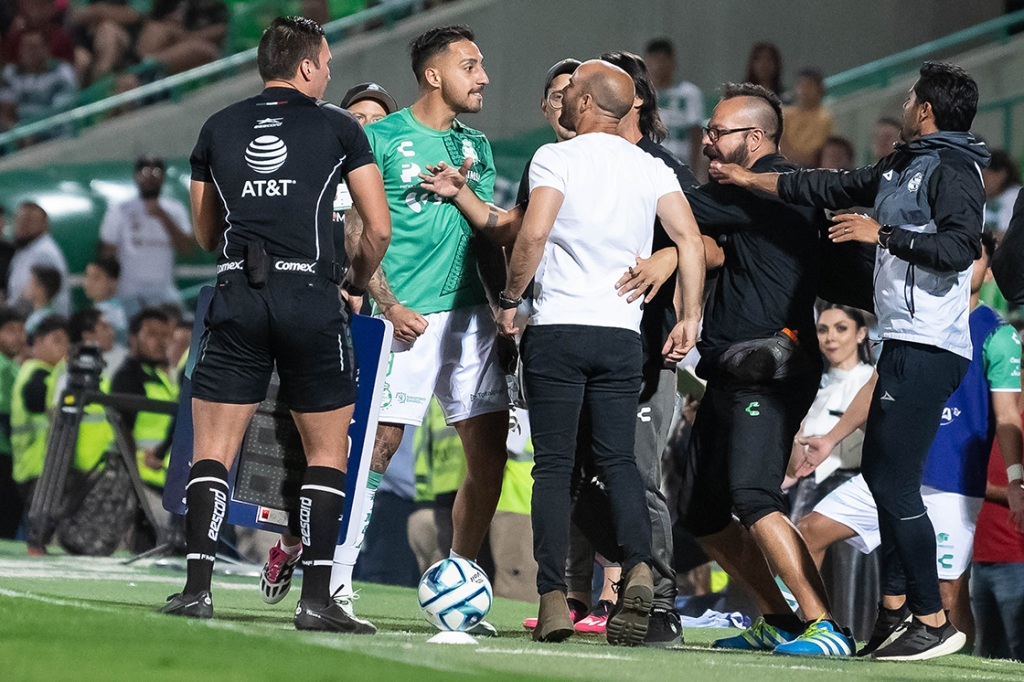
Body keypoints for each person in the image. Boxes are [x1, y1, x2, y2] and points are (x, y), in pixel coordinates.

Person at [712, 61, 989, 661]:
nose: (908, 102)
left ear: (926, 111)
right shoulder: (903, 165)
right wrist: (746, 180)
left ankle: (933, 619)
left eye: (914, 97)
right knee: (886, 480)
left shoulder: (954, 168)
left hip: (931, 344)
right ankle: (894, 612)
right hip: (901, 341)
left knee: (890, 481)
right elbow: (823, 186)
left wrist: (880, 235)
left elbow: (961, 248)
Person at [160, 16, 391, 636]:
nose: (330, 73)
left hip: (238, 292)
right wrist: (354, 281)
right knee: (325, 455)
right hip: (311, 296)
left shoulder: (217, 127)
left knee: (212, 451)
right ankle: (316, 600)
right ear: (308, 67)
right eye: (328, 63)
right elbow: (379, 227)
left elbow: (206, 233)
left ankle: (197, 590)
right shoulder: (342, 128)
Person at [497, 59, 704, 645]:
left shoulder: (555, 158)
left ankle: (555, 598)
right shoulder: (648, 165)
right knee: (619, 465)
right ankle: (638, 566)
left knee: (555, 469)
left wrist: (512, 298)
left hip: (560, 329)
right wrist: (690, 316)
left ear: (585, 102)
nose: (560, 100)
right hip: (622, 336)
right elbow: (689, 239)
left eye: (570, 93)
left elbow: (533, 233)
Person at [338, 25, 508, 633]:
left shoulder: (477, 148)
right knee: (377, 450)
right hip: (404, 320)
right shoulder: (379, 139)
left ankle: (460, 579)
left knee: (488, 457)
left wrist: (504, 304)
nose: (483, 75)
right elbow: (360, 231)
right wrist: (384, 302)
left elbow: (488, 232)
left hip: (469, 321)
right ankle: (337, 580)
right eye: (470, 64)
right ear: (434, 75)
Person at [675, 82, 853, 658]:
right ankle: (779, 620)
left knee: (754, 498)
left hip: (770, 372)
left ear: (755, 140)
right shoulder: (745, 192)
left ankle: (824, 626)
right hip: (732, 371)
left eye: (717, 132)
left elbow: (670, 208)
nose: (706, 142)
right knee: (703, 512)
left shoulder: (765, 190)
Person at [798, 235, 1023, 647]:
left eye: (976, 260)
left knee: (947, 596)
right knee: (808, 531)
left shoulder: (998, 335)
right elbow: (878, 384)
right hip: (893, 469)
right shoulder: (918, 321)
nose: (964, 264)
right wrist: (831, 438)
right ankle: (819, 629)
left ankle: (957, 667)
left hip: (951, 482)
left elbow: (1009, 415)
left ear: (988, 272)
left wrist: (1015, 478)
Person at [259, 80, 398, 615]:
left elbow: (382, 240)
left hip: (376, 329)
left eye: (376, 118)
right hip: (316, 316)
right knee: (309, 445)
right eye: (356, 115)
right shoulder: (312, 172)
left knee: (368, 448)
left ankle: (334, 570)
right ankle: (294, 544)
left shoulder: (386, 182)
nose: (365, 125)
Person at [784, 304, 874, 519]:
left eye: (841, 328)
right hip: (807, 491)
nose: (830, 337)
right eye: (822, 330)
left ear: (861, 333)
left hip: (853, 492)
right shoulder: (811, 386)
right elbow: (795, 467)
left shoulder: (870, 383)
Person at [111, 307, 176, 545]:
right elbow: (123, 429)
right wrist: (133, 479)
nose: (160, 341)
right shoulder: (128, 378)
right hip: (143, 484)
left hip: (168, 481)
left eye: (164, 335)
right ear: (133, 339)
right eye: (152, 334)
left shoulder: (165, 377)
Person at [98, 156, 193, 317]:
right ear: (136, 176)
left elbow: (187, 249)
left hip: (164, 290)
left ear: (163, 177)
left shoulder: (175, 209)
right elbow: (106, 251)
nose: (150, 177)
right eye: (145, 171)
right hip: (129, 292)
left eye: (156, 172)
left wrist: (162, 216)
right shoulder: (120, 210)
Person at [10, 314, 69, 554]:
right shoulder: (37, 374)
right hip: (37, 467)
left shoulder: (40, 373)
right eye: (57, 340)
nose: (64, 348)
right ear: (39, 342)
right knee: (39, 530)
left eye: (66, 342)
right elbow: (35, 401)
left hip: (36, 467)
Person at [972, 421, 1024, 662]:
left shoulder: (1014, 427)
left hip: (1016, 559)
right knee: (988, 656)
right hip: (981, 555)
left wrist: (983, 487)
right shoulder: (990, 423)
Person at [0, 28, 78, 134]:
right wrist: (16, 130)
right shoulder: (12, 72)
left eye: (33, 48)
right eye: (24, 47)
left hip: (55, 133)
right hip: (19, 135)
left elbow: (59, 111)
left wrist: (30, 131)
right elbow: (6, 109)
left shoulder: (61, 71)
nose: (27, 53)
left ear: (46, 49)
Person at [643, 38, 704, 172]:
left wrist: (694, 170)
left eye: (662, 60)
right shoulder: (641, 94)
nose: (658, 65)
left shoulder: (689, 93)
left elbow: (695, 133)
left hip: (680, 163)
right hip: (649, 163)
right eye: (653, 60)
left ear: (672, 62)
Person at [6, 202, 69, 316]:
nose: (22, 225)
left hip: (44, 322)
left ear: (45, 225)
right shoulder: (25, 247)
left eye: (28, 221)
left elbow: (37, 298)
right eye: (19, 220)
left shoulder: (45, 253)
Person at [0, 307, 27, 539]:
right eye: (10, 330)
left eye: (21, 330)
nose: (19, 336)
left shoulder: (14, 367)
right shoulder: (4, 368)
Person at [780, 68, 833, 167]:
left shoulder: (824, 117)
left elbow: (813, 156)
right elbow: (778, 145)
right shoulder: (785, 114)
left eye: (809, 85)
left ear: (819, 89)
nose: (804, 90)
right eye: (801, 85)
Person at [82, 256, 129, 347]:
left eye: (96, 278)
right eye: (87, 276)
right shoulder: (115, 306)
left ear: (113, 282)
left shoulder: (107, 312)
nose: (88, 282)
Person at [982, 149, 1022, 237]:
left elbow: (1012, 236)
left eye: (986, 177)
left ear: (1001, 175)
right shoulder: (982, 197)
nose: (983, 181)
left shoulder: (1015, 197)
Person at [21, 264, 61, 335]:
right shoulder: (36, 314)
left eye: (30, 283)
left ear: (41, 289)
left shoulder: (43, 319)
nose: (26, 286)